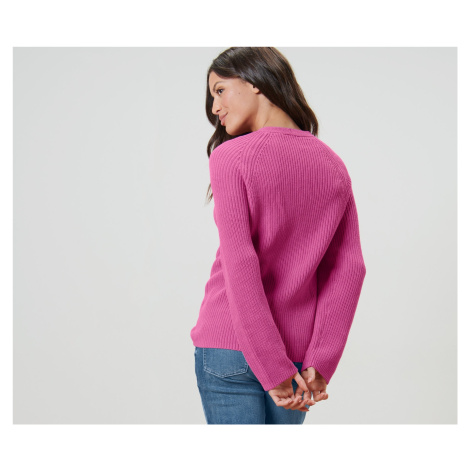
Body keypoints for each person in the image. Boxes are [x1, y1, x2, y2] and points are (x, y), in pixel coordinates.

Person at [190, 47, 367, 424]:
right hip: (299, 359)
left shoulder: (231, 157)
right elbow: (348, 269)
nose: (215, 107)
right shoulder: (332, 164)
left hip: (230, 348)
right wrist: (321, 361)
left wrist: (272, 367)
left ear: (254, 81)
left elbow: (240, 262)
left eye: (220, 90)